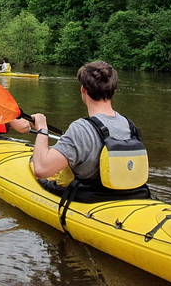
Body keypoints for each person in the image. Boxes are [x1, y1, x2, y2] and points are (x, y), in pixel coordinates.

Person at [29, 61, 151, 203]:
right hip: (129, 197)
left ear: (83, 89)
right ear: (114, 91)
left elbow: (41, 170)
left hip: (91, 201)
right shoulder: (129, 126)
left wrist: (42, 129)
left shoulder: (80, 129)